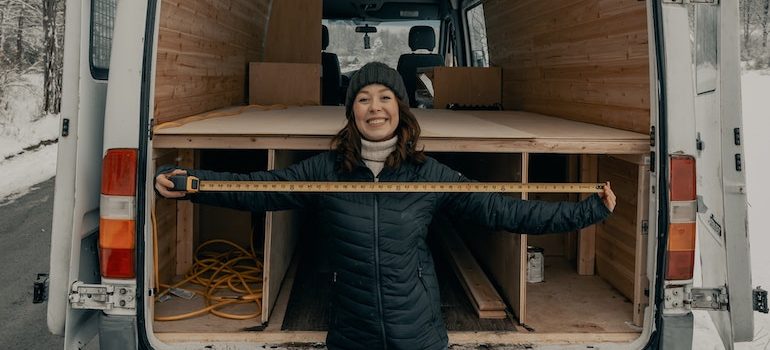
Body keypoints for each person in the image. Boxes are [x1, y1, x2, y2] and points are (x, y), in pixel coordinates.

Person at [155, 61, 617, 350]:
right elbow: (258, 187)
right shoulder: (324, 171)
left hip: (418, 335)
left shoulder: (429, 174)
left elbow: (508, 211)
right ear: (351, 112)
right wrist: (193, 183)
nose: (375, 108)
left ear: (401, 108)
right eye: (362, 98)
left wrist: (587, 210)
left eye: (385, 97)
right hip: (351, 333)